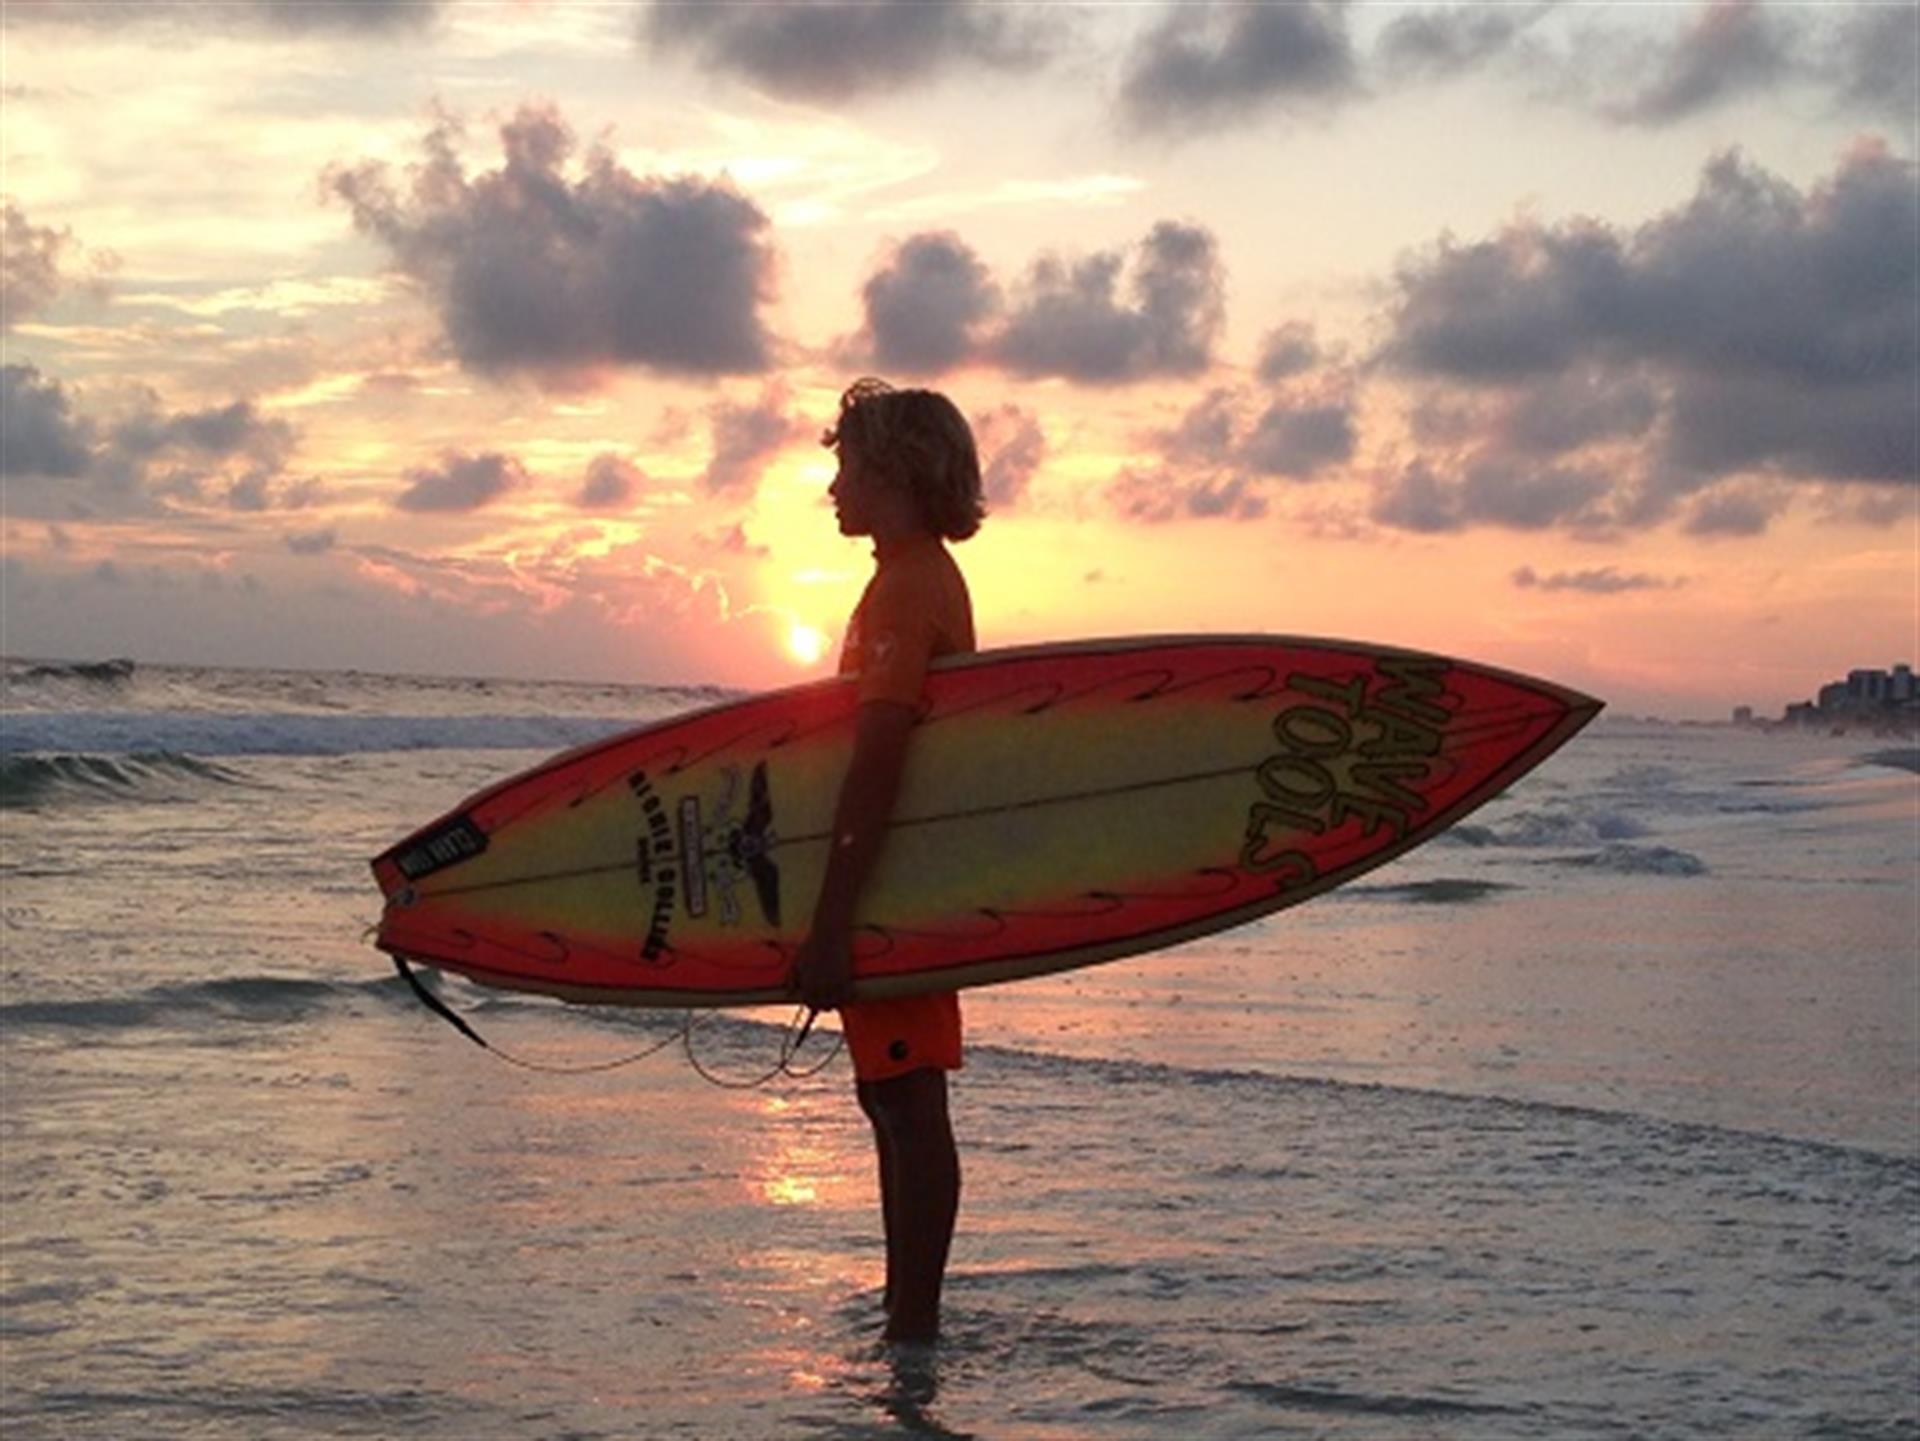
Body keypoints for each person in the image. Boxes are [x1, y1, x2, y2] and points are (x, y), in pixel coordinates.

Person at [792, 377, 984, 1344]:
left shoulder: (911, 585)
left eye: (845, 464)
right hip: (895, 885)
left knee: (909, 1106)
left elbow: (878, 759)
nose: (832, 485)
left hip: (895, 893)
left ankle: (916, 1328)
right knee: (888, 1100)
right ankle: (903, 1315)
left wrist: (832, 919)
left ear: (895, 471)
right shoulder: (903, 574)